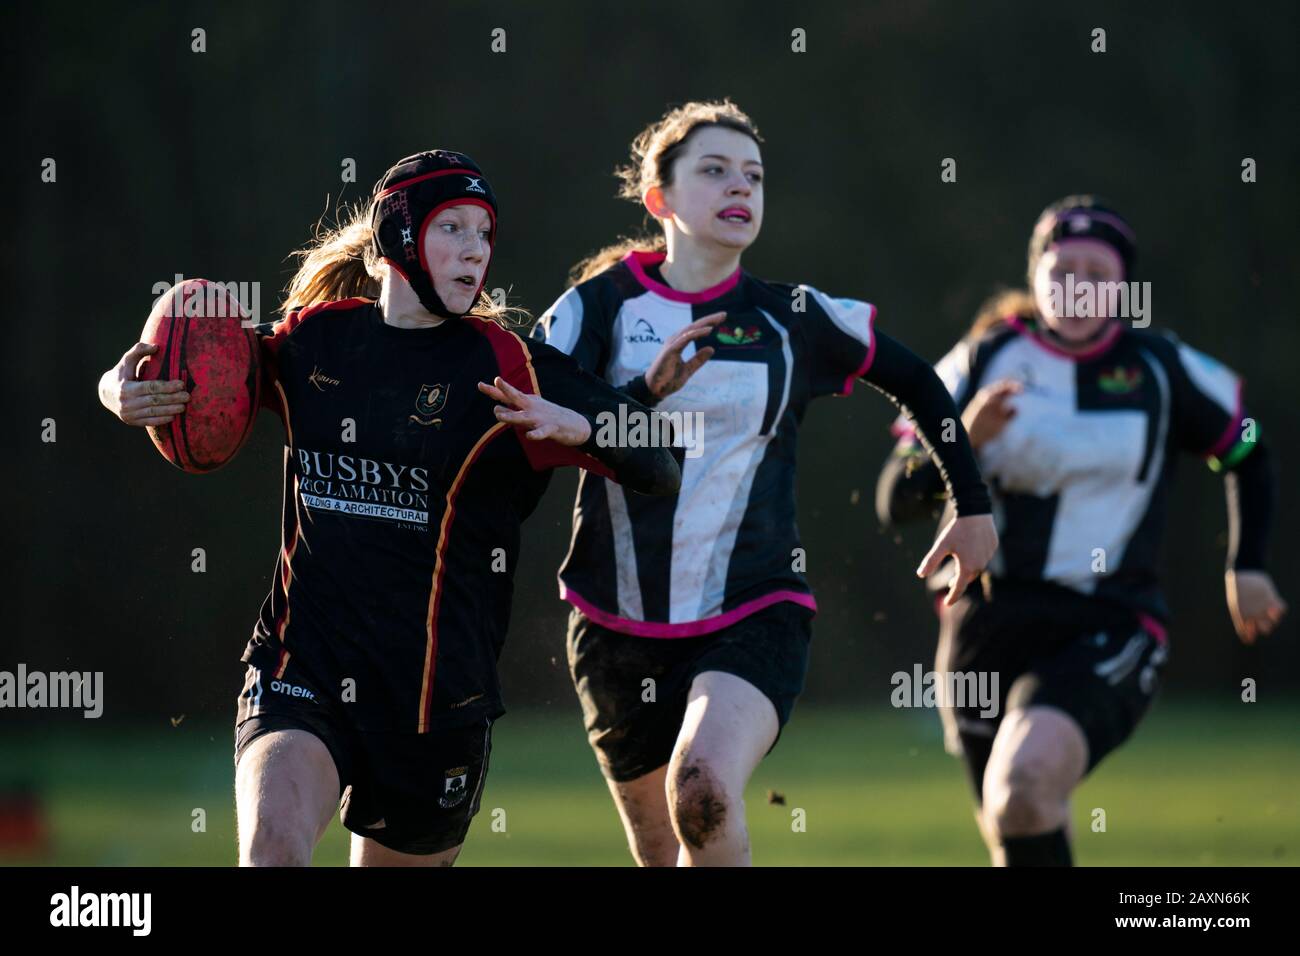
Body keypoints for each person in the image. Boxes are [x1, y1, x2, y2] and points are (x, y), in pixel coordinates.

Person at [97, 149, 680, 867]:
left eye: (484, 234)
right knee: (271, 853)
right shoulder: (315, 341)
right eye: (452, 228)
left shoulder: (507, 364)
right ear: (396, 242)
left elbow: (660, 458)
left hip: (434, 707)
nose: (475, 250)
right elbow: (194, 368)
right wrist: (116, 389)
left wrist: (582, 427)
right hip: (300, 670)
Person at [532, 100, 998, 866]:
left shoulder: (794, 316)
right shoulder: (598, 307)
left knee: (702, 793)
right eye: (713, 171)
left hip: (755, 605)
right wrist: (643, 395)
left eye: (752, 174)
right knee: (662, 852)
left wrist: (972, 506)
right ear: (661, 200)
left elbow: (918, 380)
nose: (738, 187)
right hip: (614, 622)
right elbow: (539, 407)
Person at [876, 195, 1286, 866]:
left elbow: (1247, 450)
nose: (1078, 285)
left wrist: (1247, 562)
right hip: (982, 628)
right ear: (1036, 275)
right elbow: (895, 500)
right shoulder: (984, 358)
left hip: (1109, 619)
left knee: (1025, 784)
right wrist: (962, 441)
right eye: (1063, 268)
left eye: (1098, 272)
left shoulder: (1159, 368)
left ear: (1124, 287)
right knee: (1016, 824)